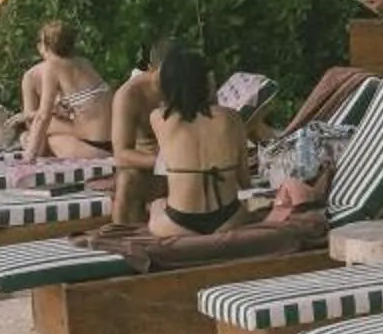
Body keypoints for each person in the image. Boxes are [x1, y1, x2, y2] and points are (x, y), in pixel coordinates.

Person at [145, 46, 254, 237]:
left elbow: (156, 88)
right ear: (206, 81)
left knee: (156, 205)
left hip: (179, 223)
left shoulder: (159, 119)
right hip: (228, 219)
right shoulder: (231, 118)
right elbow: (244, 181)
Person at [18, 20, 112, 160]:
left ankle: (32, 150)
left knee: (40, 137)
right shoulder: (84, 63)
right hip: (110, 141)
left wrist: (29, 156)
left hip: (93, 146)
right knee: (42, 128)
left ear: (45, 46)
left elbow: (43, 117)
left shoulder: (52, 67)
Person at [107, 39, 170, 229]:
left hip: (193, 167)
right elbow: (122, 154)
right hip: (153, 169)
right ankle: (125, 244)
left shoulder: (196, 86)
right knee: (127, 181)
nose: (171, 81)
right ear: (150, 69)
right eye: (164, 75)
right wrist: (166, 162)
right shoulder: (129, 95)